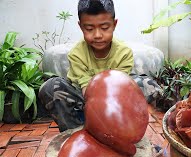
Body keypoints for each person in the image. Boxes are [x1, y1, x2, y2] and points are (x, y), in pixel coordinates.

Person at [38, 0, 161, 132]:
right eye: (89, 29)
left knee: (149, 85)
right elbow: (86, 89)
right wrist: (96, 113)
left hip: (114, 100)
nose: (97, 35)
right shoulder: (76, 53)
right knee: (50, 87)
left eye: (104, 28)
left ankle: (122, 131)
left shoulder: (124, 52)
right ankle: (75, 132)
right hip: (84, 100)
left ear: (114, 25)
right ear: (81, 27)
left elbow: (119, 88)